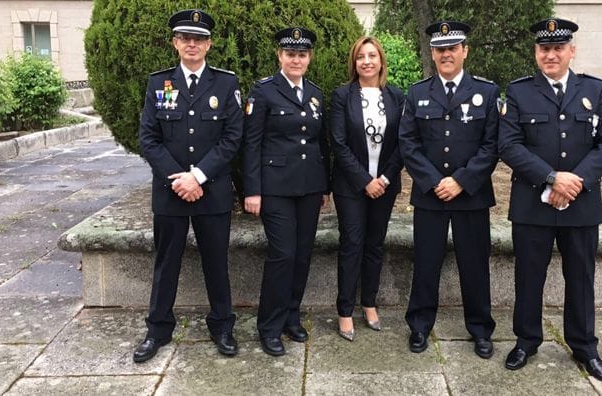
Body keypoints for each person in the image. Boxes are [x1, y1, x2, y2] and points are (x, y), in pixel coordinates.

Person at [498, 18, 602, 382]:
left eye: (557, 48)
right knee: (528, 276)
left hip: (581, 203)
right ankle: (526, 340)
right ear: (536, 53)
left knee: (581, 277)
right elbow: (508, 145)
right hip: (533, 203)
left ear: (571, 51)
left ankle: (584, 347)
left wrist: (575, 181)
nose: (550, 55)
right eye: (543, 49)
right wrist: (551, 177)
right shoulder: (519, 92)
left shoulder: (593, 90)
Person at [134, 9, 243, 362]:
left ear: (209, 44)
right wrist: (179, 179)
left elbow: (232, 138)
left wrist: (197, 176)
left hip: (211, 191)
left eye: (199, 39)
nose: (192, 44)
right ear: (175, 43)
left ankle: (223, 325)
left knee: (216, 261)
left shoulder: (226, 84)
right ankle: (158, 329)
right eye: (185, 38)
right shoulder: (158, 83)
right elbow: (149, 139)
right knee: (166, 262)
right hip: (170, 192)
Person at [398, 21, 500, 359]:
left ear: (464, 51)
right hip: (430, 195)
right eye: (440, 49)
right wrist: (432, 181)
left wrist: (461, 180)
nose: (446, 54)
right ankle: (419, 325)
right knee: (426, 262)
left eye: (452, 48)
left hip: (471, 194)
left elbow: (491, 146)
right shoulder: (417, 93)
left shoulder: (486, 92)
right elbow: (408, 143)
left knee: (475, 264)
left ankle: (481, 329)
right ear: (433, 53)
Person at [242, 27, 330, 357]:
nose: (296, 59)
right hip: (275, 188)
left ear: (309, 58)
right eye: (290, 54)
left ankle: (292, 316)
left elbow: (321, 144)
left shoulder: (316, 93)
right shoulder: (264, 91)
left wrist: (325, 186)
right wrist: (253, 190)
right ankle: (269, 326)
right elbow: (251, 144)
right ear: (280, 56)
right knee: (283, 254)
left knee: (303, 253)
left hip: (309, 187)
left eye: (302, 54)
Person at [329, 37, 405, 341]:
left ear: (381, 61)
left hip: (385, 185)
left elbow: (404, 142)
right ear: (354, 62)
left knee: (375, 245)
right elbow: (338, 143)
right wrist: (365, 181)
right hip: (351, 186)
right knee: (352, 244)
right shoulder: (341, 96)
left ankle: (369, 303)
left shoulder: (397, 96)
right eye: (361, 56)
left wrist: (384, 180)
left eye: (372, 55)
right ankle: (344, 310)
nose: (367, 61)